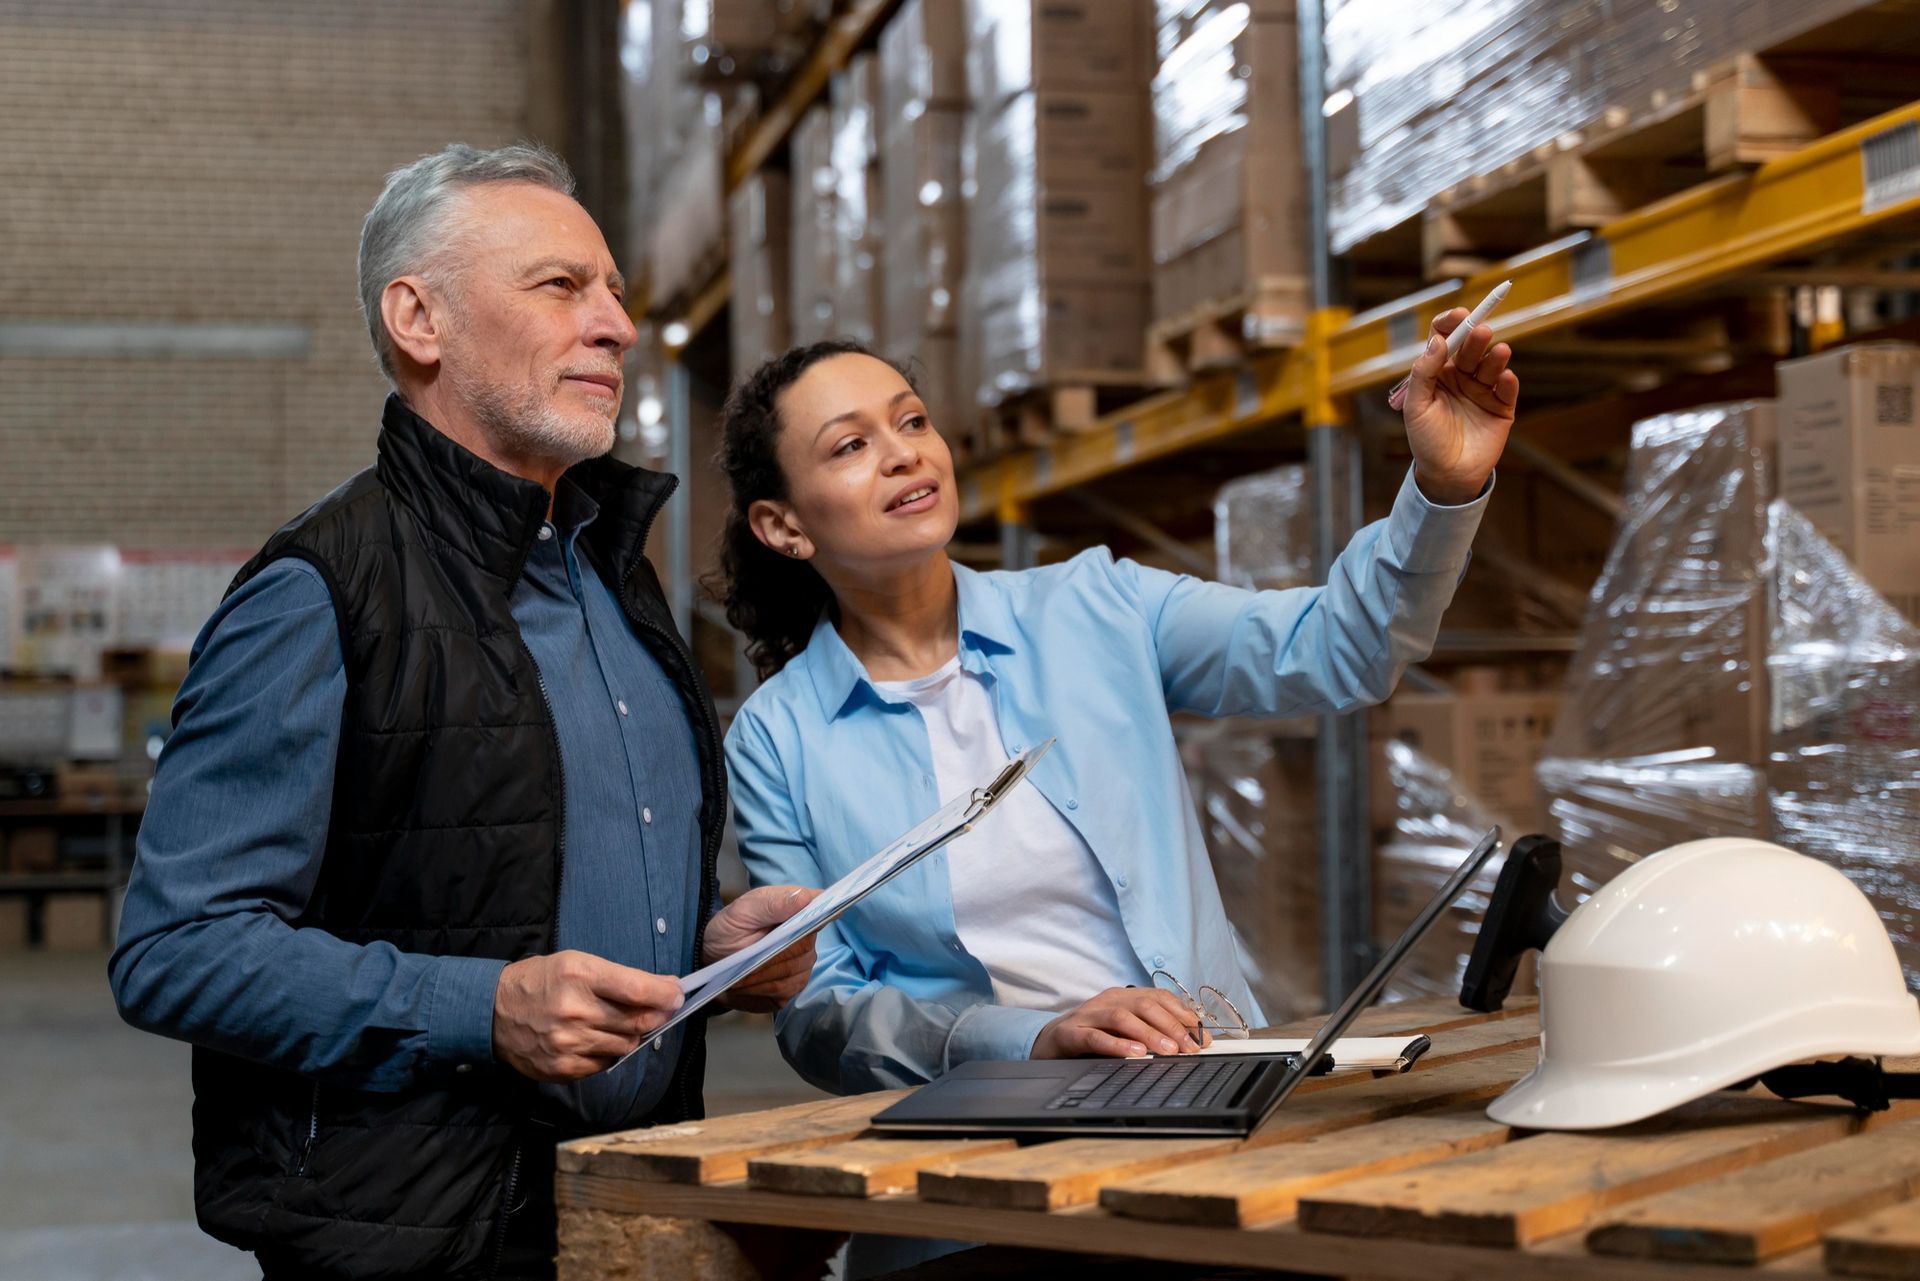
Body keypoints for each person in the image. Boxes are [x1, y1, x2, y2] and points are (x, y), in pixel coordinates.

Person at [108, 142, 818, 1281]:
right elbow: (176, 949)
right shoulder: (324, 592)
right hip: (420, 1237)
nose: (616, 327)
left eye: (616, 294)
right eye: (560, 288)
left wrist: (701, 956)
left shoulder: (612, 576)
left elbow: (505, 870)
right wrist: (480, 1008)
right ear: (419, 321)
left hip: (628, 1205)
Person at [716, 323, 1516, 1097]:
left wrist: (1442, 487)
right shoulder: (776, 740)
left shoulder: (1099, 605)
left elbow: (1341, 645)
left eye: (912, 420)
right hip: (973, 1140)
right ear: (783, 526)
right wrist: (1033, 1035)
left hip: (1208, 1089)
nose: (903, 453)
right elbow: (815, 1008)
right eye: (851, 445)